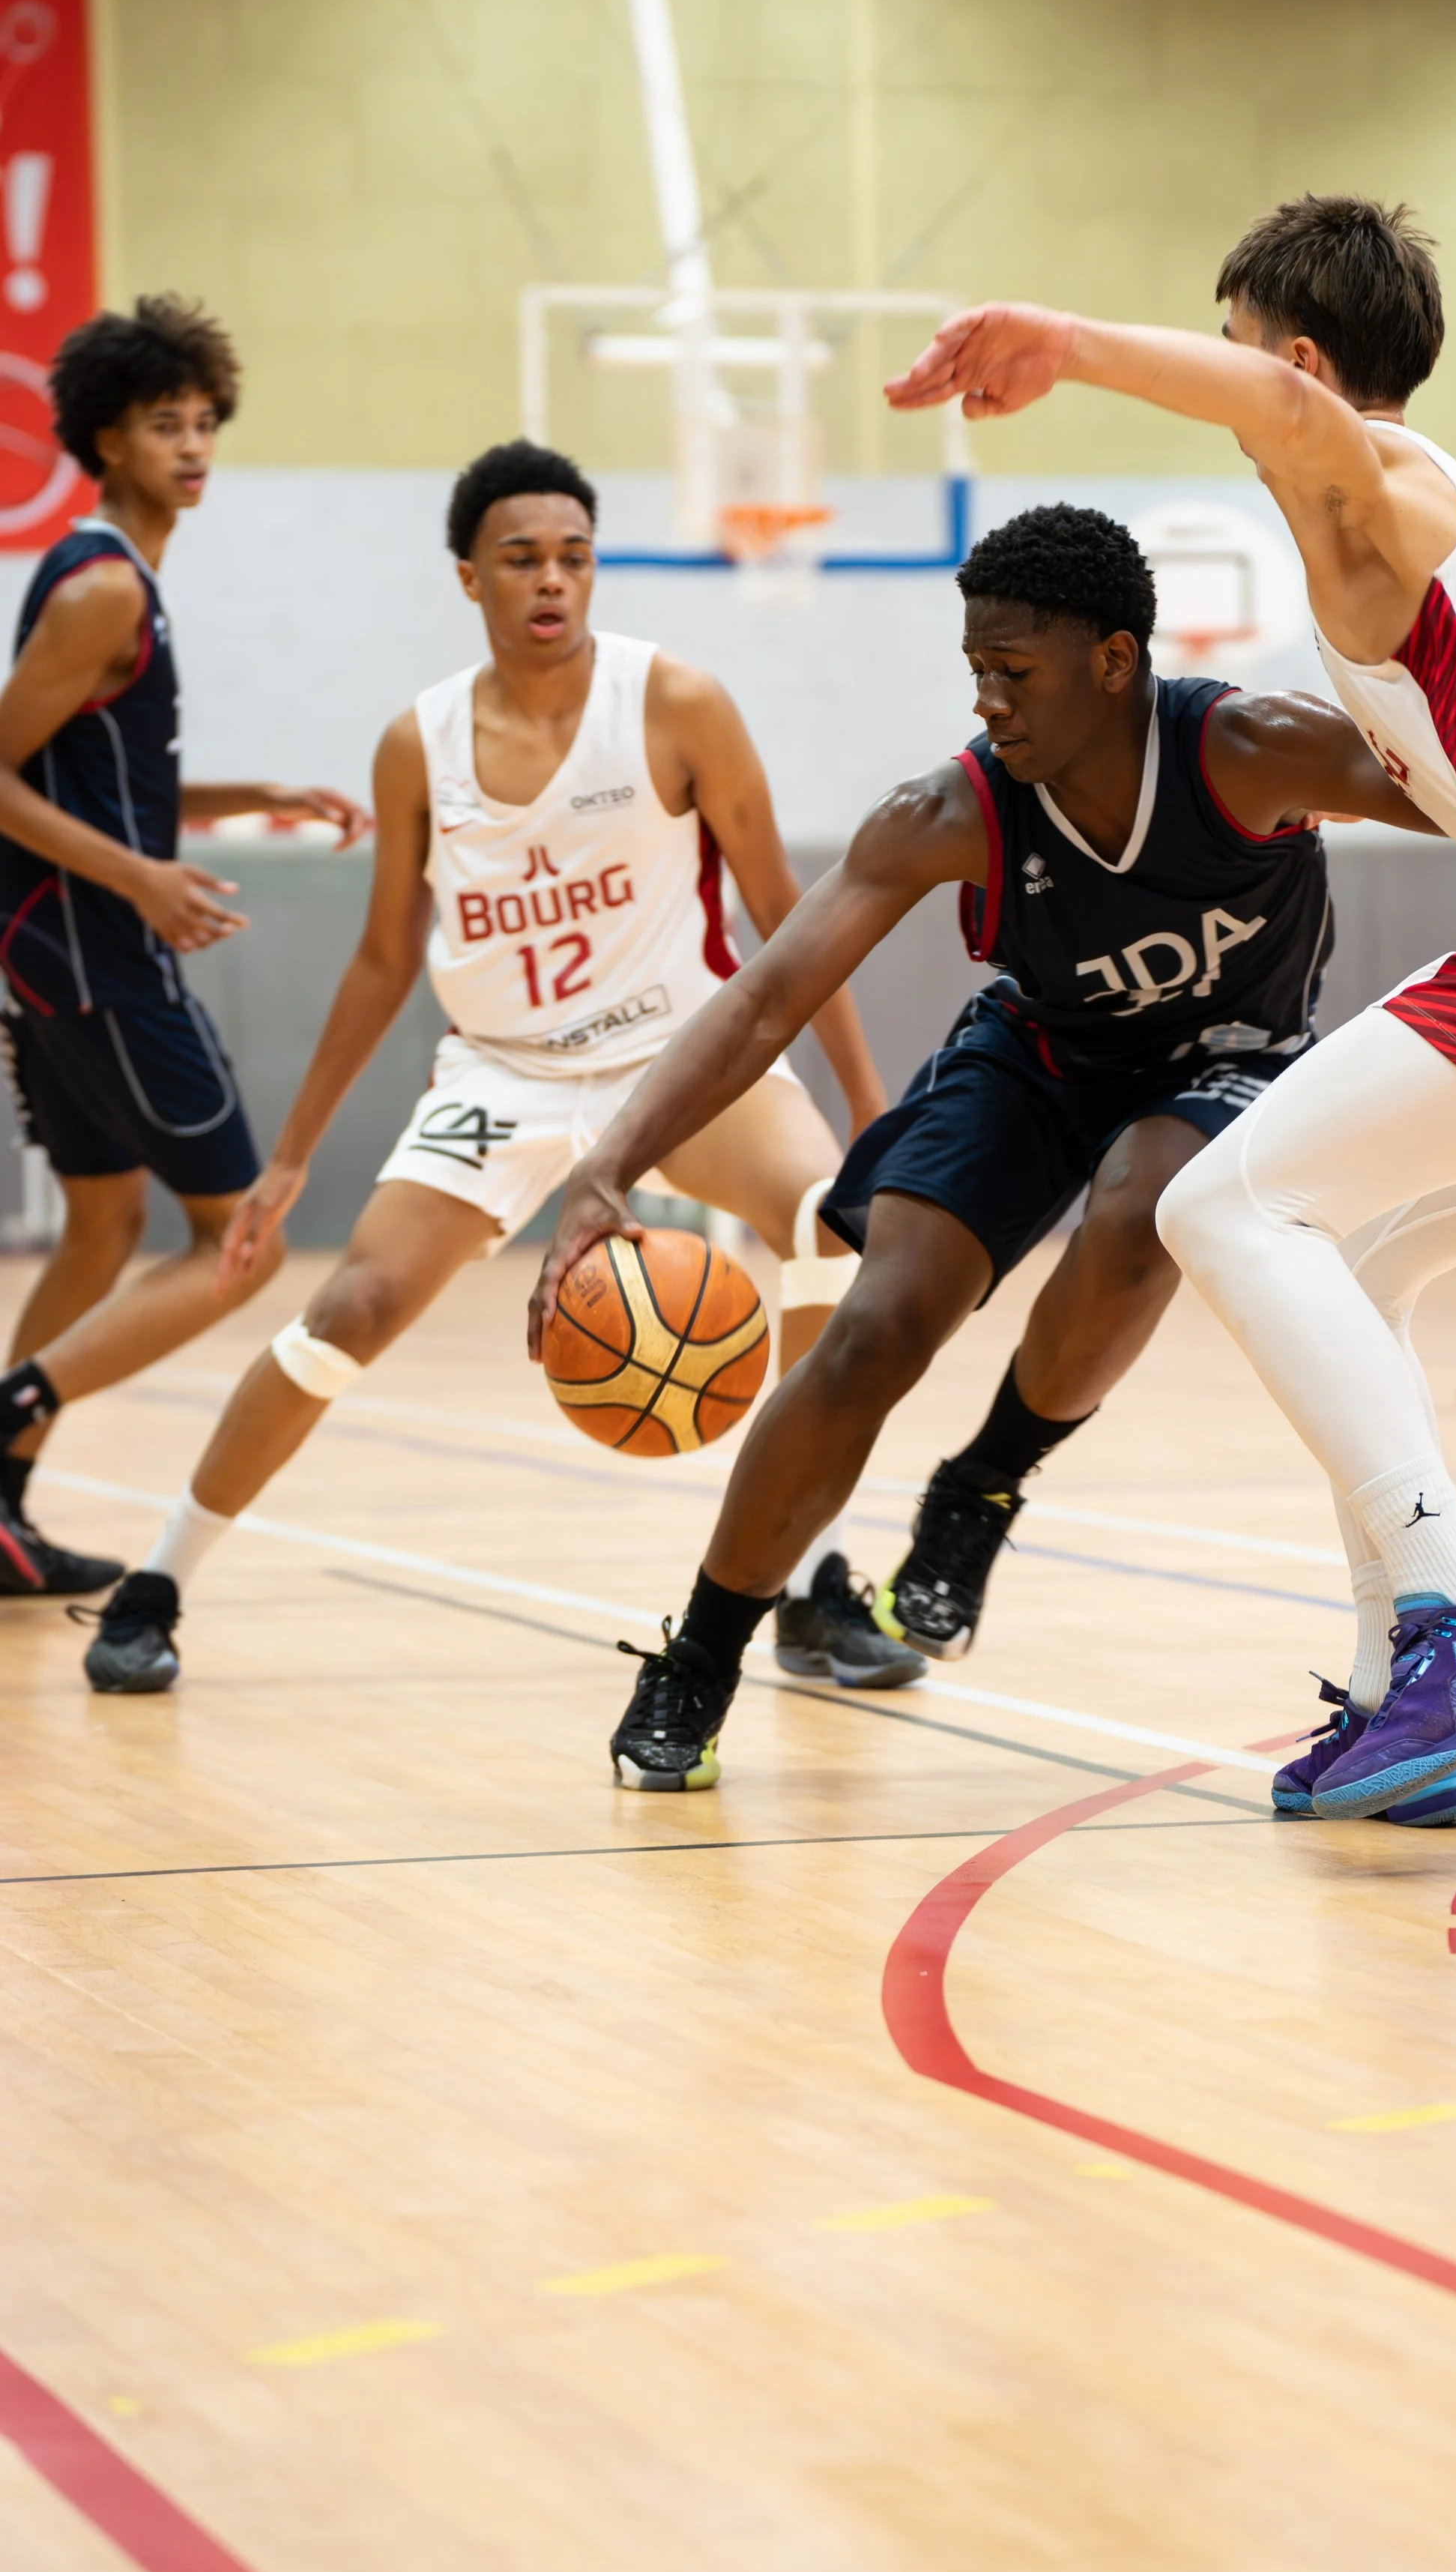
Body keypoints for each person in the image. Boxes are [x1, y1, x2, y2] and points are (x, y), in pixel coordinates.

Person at [885, 195, 1456, 1820]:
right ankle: (1402, 1703)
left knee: (1217, 1203)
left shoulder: (1387, 488)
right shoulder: (1410, 543)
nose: (1228, 383)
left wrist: (1067, 344)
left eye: (1233, 351)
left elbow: (1297, 420)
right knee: (1357, 1265)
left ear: (1294, 364)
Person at [528, 502, 1456, 1802]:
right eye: (976, 669)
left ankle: (981, 1487)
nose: (987, 700)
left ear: (1115, 661)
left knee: (1148, 1207)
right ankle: (701, 1655)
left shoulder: (1250, 750)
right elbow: (764, 997)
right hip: (1039, 1053)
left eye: (1013, 670)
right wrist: (608, 1167)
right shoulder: (950, 810)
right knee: (876, 1327)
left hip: (1227, 1058)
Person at [80, 438, 911, 1697]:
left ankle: (812, 1577)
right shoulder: (418, 742)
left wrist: (868, 1098)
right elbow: (381, 959)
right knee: (351, 1307)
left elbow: (787, 915)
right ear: (469, 576)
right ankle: (156, 1583)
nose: (552, 580)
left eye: (574, 556)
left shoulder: (677, 701)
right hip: (502, 1074)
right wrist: (290, 1158)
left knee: (825, 1218)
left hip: (675, 1055)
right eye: (522, 558)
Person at [0, 297, 368, 1597]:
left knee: (103, 1221)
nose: (195, 445)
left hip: (53, 953)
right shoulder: (104, 585)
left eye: (207, 421)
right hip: (99, 955)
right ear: (107, 438)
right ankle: (8, 1412)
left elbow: (89, 775)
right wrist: (145, 879)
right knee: (235, 1241)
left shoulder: (114, 575)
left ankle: (0, 1508)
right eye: (168, 424)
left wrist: (249, 794)